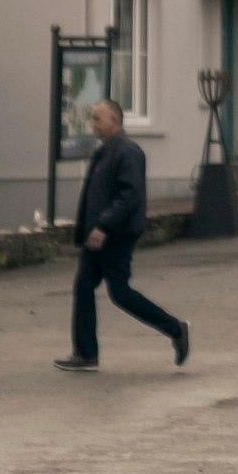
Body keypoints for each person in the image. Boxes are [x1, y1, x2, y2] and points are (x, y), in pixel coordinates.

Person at [60, 98, 191, 372]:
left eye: (97, 118)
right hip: (97, 237)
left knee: (120, 293)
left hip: (115, 236)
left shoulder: (128, 152)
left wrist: (103, 226)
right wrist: (87, 230)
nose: (92, 124)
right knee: (83, 287)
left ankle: (176, 329)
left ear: (115, 120)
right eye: (92, 118)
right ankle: (85, 353)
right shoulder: (104, 151)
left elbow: (129, 196)